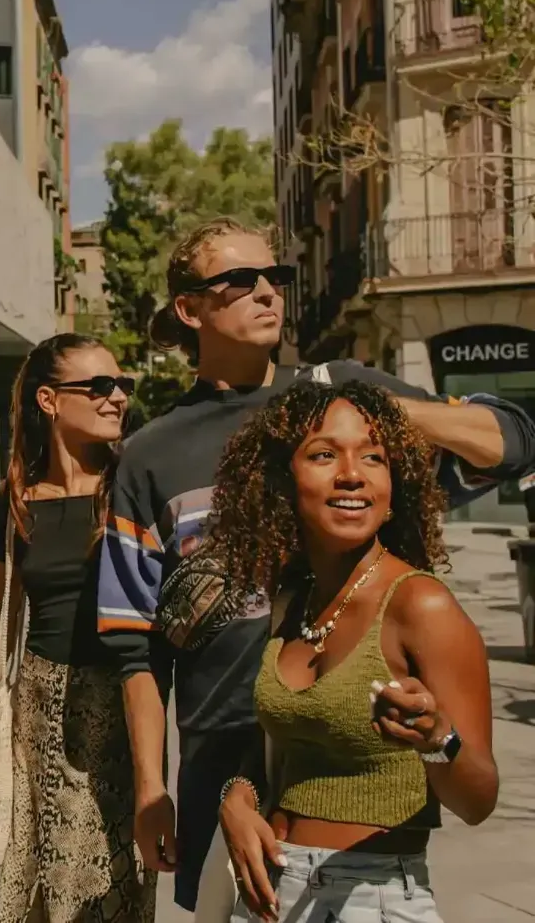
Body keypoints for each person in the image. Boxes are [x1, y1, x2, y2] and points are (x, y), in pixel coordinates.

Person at [95, 217, 535, 912]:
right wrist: (153, 789)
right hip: (221, 771)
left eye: (278, 278)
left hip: (344, 771)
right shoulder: (150, 454)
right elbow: (133, 646)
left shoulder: (339, 402)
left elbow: (509, 443)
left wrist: (376, 411)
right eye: (240, 280)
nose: (268, 291)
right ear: (189, 308)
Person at [209, 380, 497, 921]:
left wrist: (438, 739)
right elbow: (281, 749)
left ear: (395, 488)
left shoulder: (420, 604)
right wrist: (239, 795)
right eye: (323, 455)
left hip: (372, 895)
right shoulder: (293, 600)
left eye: (373, 457)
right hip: (270, 892)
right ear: (281, 482)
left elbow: (479, 799)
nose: (352, 474)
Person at [0, 334, 154, 923]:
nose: (117, 397)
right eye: (99, 386)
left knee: (108, 883)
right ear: (49, 400)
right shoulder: (13, 501)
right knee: (41, 881)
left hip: (119, 703)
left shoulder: (131, 487)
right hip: (37, 711)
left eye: (123, 386)